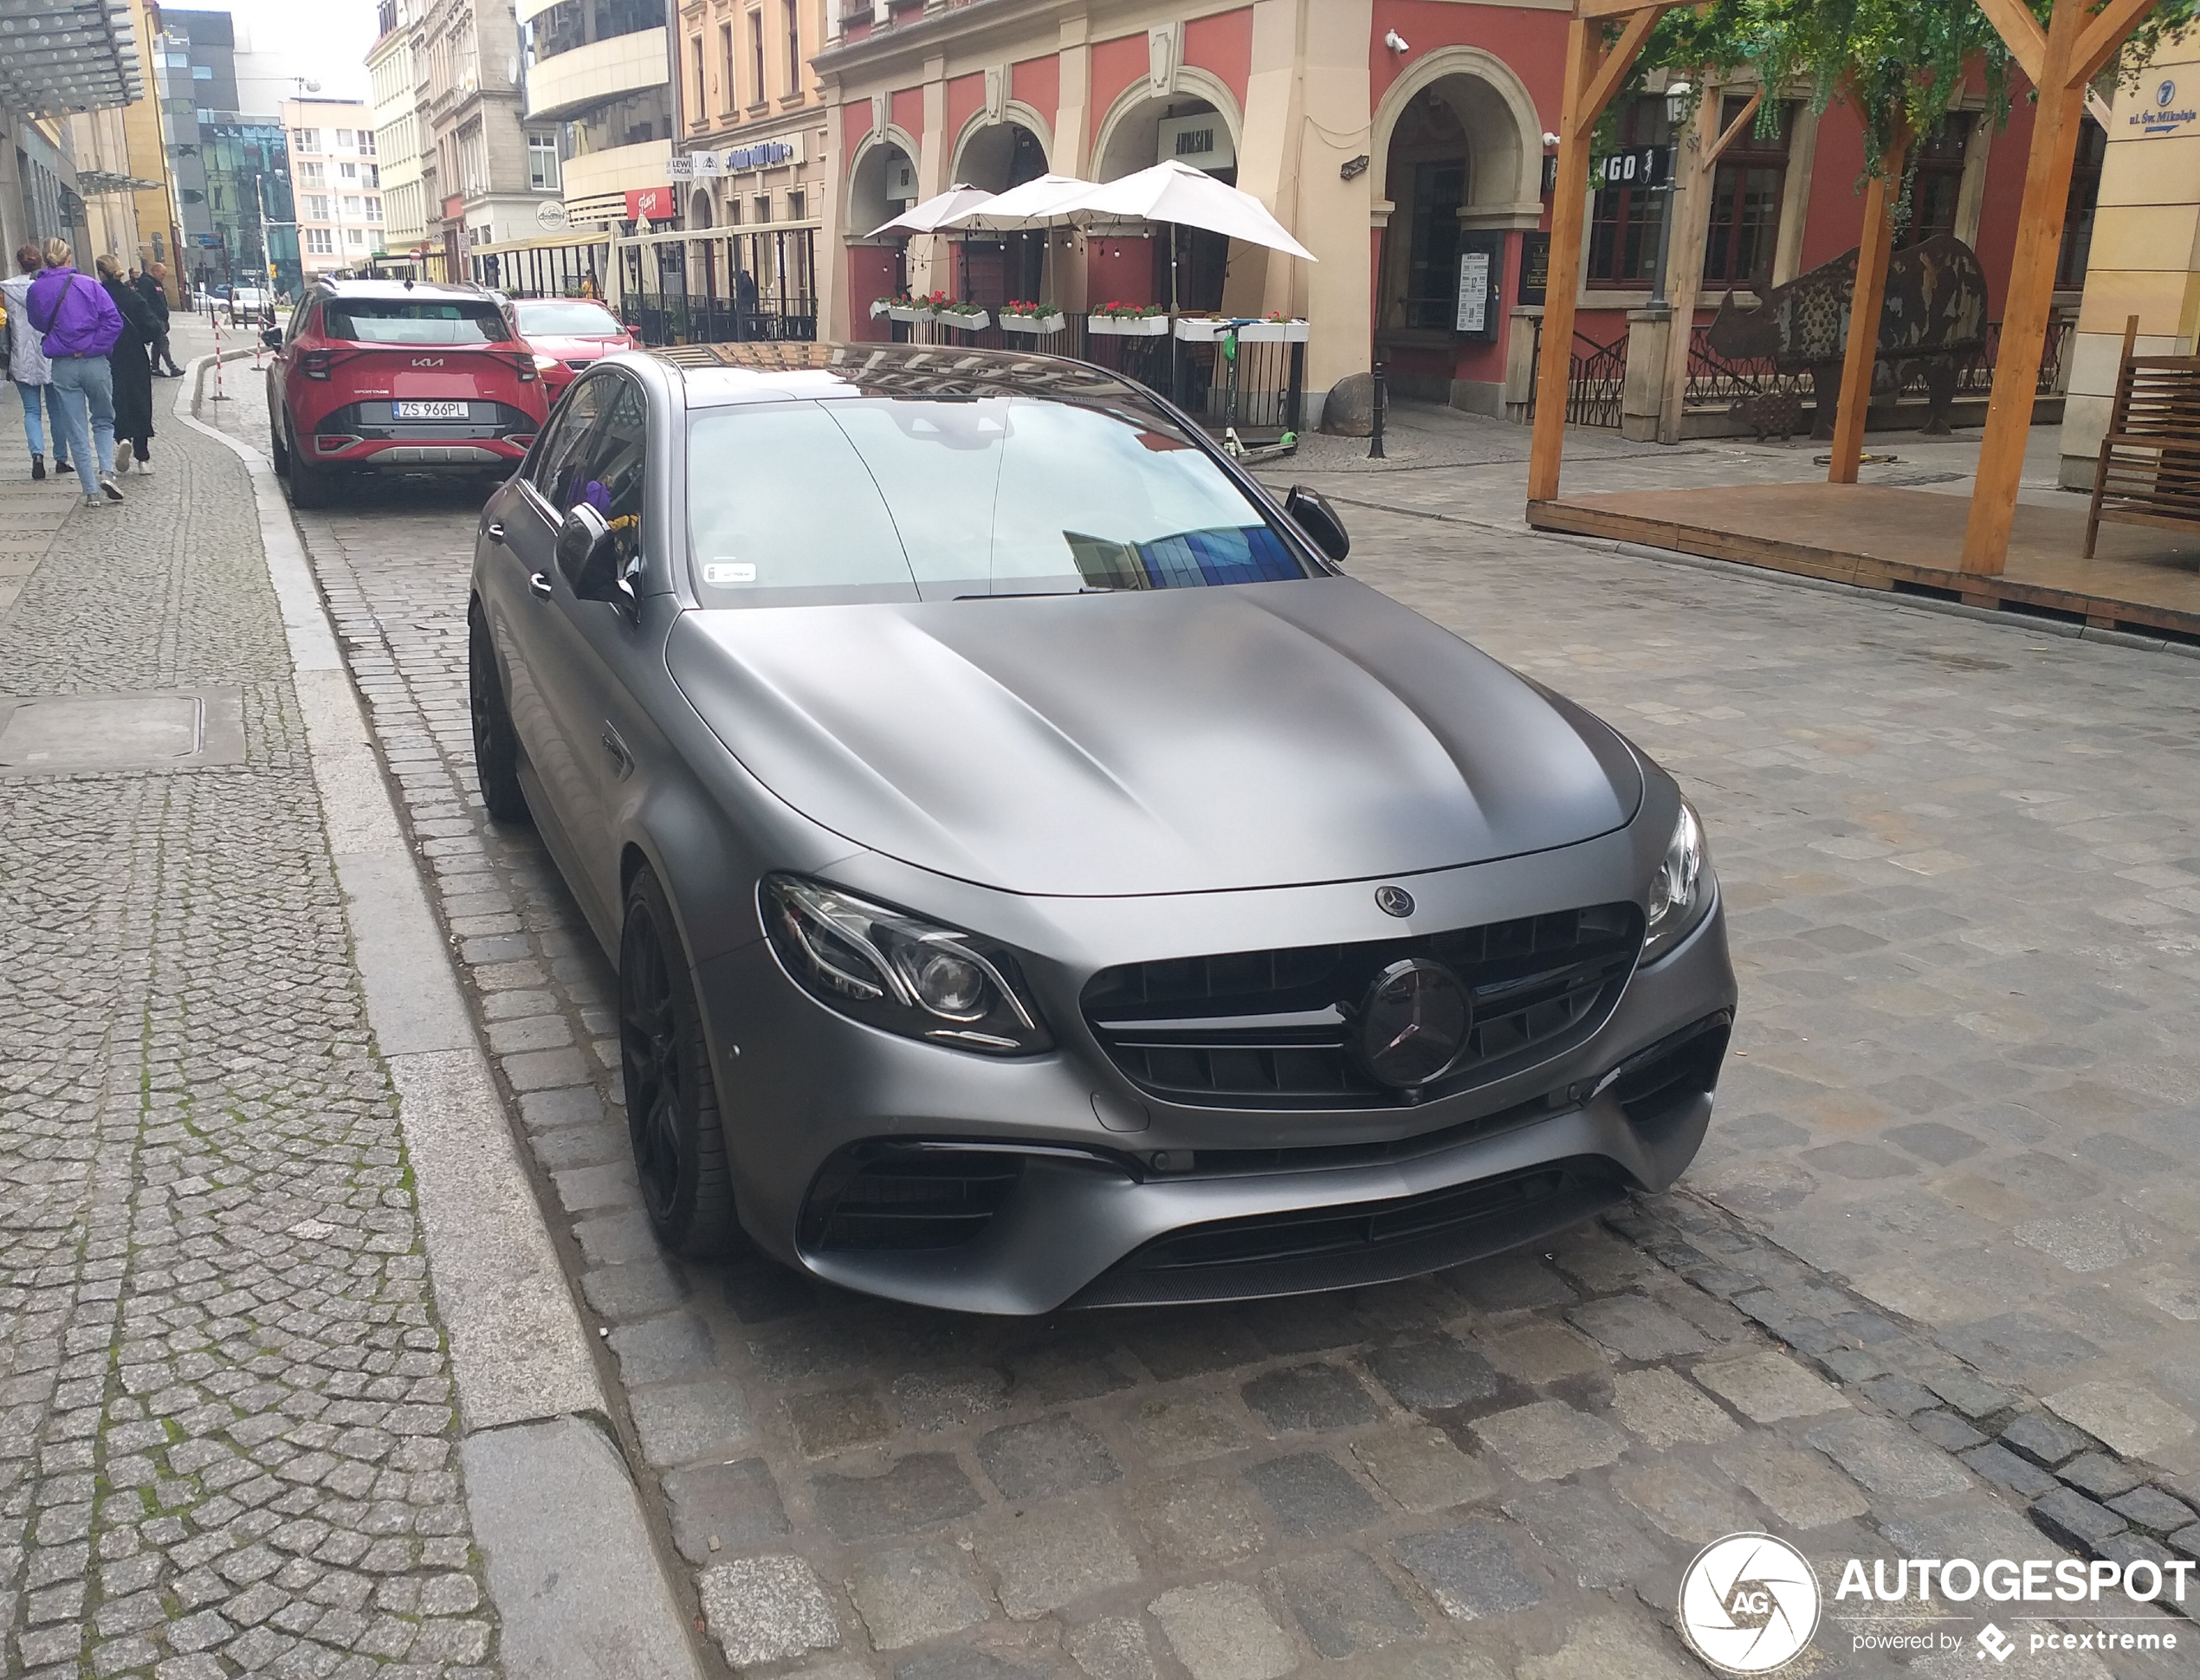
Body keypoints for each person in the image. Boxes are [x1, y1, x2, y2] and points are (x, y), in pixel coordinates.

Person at [27, 237, 126, 507]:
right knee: (103, 419)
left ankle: (91, 492)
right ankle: (106, 471)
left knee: (75, 427)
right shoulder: (89, 284)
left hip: (62, 364)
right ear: (69, 259)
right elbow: (113, 321)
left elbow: (36, 321)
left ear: (47, 259)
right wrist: (93, 346)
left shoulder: (36, 290)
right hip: (94, 361)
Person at [2, 242, 74, 481]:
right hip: (50, 353)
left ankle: (37, 456)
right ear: (41, 263)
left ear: (19, 263)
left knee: (31, 411)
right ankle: (61, 458)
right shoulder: (47, 287)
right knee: (56, 410)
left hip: (21, 356)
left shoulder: (7, 291)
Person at [96, 255, 159, 474]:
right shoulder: (134, 297)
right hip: (136, 355)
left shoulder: (98, 296)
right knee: (140, 400)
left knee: (116, 399)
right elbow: (153, 327)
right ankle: (143, 458)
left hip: (108, 355)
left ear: (101, 274)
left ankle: (123, 437)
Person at [136, 262, 181, 376]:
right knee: (163, 342)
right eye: (162, 274)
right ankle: (172, 367)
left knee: (157, 344)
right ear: (154, 271)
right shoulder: (146, 282)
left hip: (160, 318)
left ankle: (155, 367)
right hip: (154, 318)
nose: (163, 276)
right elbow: (145, 301)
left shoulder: (156, 282)